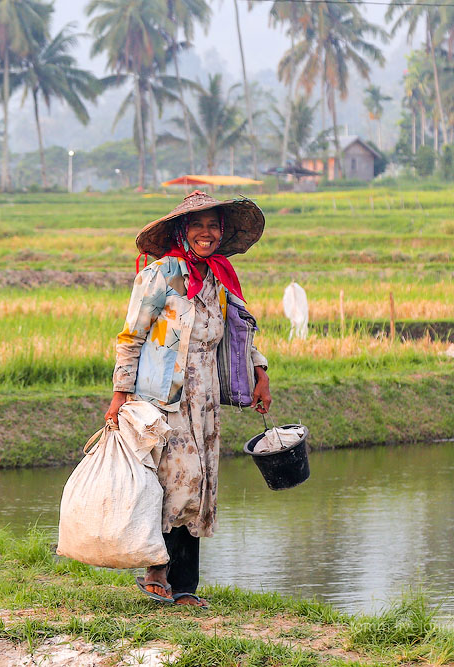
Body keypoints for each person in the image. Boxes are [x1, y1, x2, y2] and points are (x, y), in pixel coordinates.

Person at [105, 190, 272, 607]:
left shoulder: (220, 278)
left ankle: (185, 588)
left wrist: (261, 372)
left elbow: (238, 335)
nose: (206, 233)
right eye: (197, 225)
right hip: (164, 398)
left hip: (206, 399)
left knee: (198, 488)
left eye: (213, 225)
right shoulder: (161, 275)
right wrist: (119, 395)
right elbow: (131, 338)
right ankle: (156, 571)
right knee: (173, 484)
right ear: (182, 230)